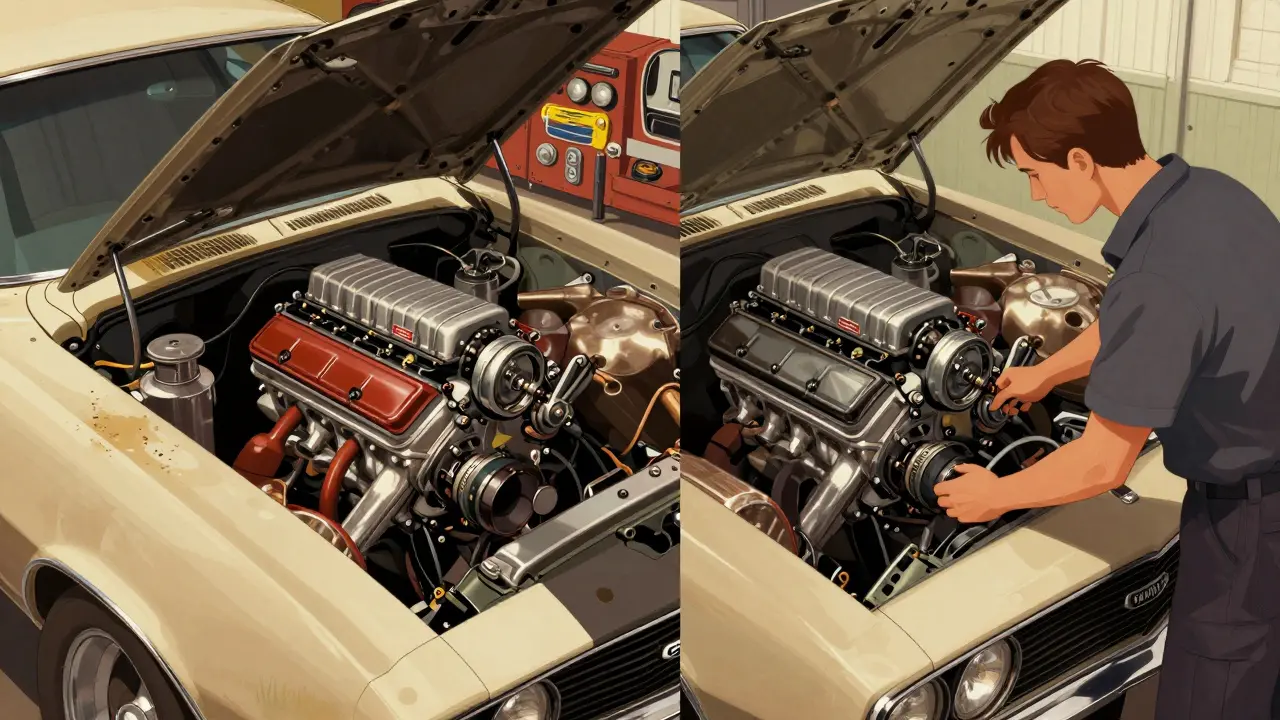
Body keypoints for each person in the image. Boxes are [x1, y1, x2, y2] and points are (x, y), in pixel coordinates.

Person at [931, 58, 1280, 720]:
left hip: (1250, 526)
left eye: (1035, 173)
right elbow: (1143, 327)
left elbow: (1101, 461)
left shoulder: (1156, 276)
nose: (1035, 195)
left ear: (1084, 161)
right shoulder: (1207, 195)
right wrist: (1045, 373)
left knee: (1213, 696)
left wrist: (993, 493)